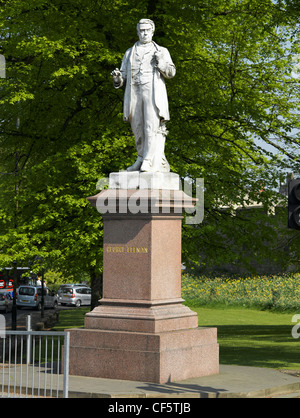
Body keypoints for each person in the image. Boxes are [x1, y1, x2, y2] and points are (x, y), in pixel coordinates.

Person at [111, 19, 176, 172]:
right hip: (134, 92)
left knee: (150, 125)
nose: (144, 33)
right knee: (137, 127)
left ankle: (148, 159)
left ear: (152, 31)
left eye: (147, 30)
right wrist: (117, 78)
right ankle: (140, 157)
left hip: (152, 91)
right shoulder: (129, 52)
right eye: (141, 30)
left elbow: (171, 72)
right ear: (138, 32)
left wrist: (160, 62)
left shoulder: (162, 51)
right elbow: (123, 76)